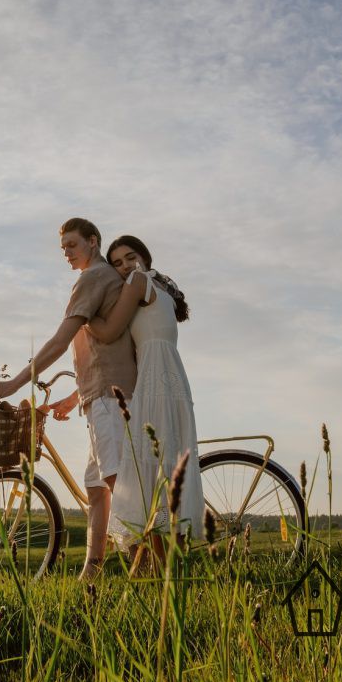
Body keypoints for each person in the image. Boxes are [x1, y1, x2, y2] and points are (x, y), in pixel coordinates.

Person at [0, 218, 137, 580]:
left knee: (119, 485)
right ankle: (92, 571)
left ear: (93, 241)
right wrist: (75, 398)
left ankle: (146, 559)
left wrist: (16, 384)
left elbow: (58, 341)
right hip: (101, 395)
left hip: (109, 400)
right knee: (97, 488)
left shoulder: (93, 278)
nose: (66, 254)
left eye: (72, 245)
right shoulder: (102, 280)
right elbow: (105, 352)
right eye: (63, 248)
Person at [83, 235, 203, 572]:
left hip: (154, 378)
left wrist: (81, 315)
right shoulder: (160, 287)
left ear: (145, 257)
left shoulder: (138, 281)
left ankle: (159, 569)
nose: (124, 267)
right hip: (172, 375)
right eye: (117, 262)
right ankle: (169, 569)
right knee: (166, 467)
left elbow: (108, 332)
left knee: (150, 470)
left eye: (129, 257)